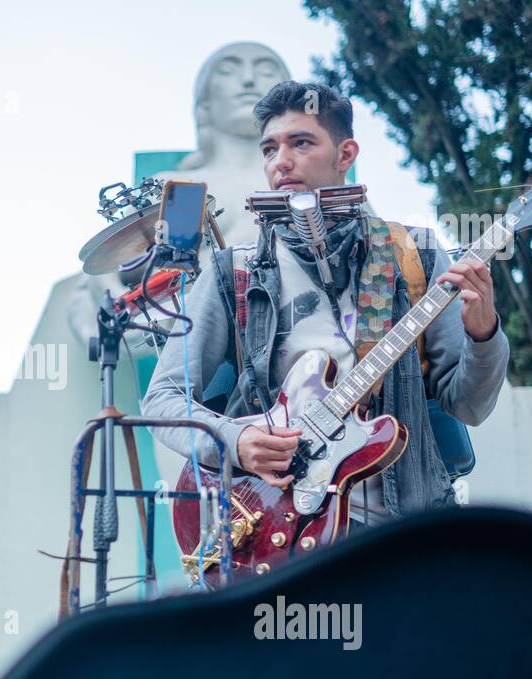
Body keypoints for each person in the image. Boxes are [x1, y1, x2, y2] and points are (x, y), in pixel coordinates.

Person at [140, 81, 510, 525]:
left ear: (346, 155)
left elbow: (469, 405)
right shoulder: (231, 271)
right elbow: (162, 400)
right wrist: (235, 440)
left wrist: (484, 333)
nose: (281, 161)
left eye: (301, 143)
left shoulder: (414, 254)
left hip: (405, 531)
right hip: (278, 531)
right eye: (270, 149)